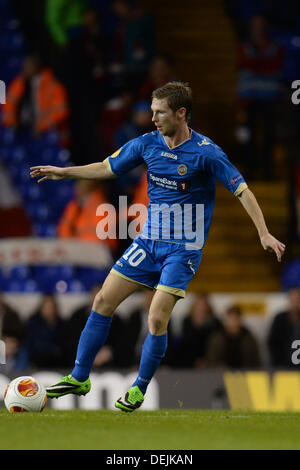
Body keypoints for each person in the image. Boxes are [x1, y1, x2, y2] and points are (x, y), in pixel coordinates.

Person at [30, 81, 286, 412]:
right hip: (148, 241)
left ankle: (139, 387)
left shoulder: (206, 152)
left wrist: (263, 232)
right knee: (103, 299)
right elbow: (107, 168)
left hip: (183, 250)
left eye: (159, 112)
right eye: (151, 111)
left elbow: (243, 191)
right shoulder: (146, 144)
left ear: (181, 113)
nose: (152, 119)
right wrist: (65, 172)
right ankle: (80, 376)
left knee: (155, 318)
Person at [171, 294, 222, 368]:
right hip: (189, 360)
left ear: (208, 307)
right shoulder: (187, 321)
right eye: (199, 305)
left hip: (209, 360)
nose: (201, 308)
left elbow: (214, 344)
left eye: (203, 305)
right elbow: (186, 343)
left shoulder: (214, 322)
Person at [268, 286, 300, 368]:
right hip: (283, 365)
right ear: (289, 300)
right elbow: (272, 342)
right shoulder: (280, 319)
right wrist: (277, 362)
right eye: (293, 300)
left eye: (297, 300)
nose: (295, 303)